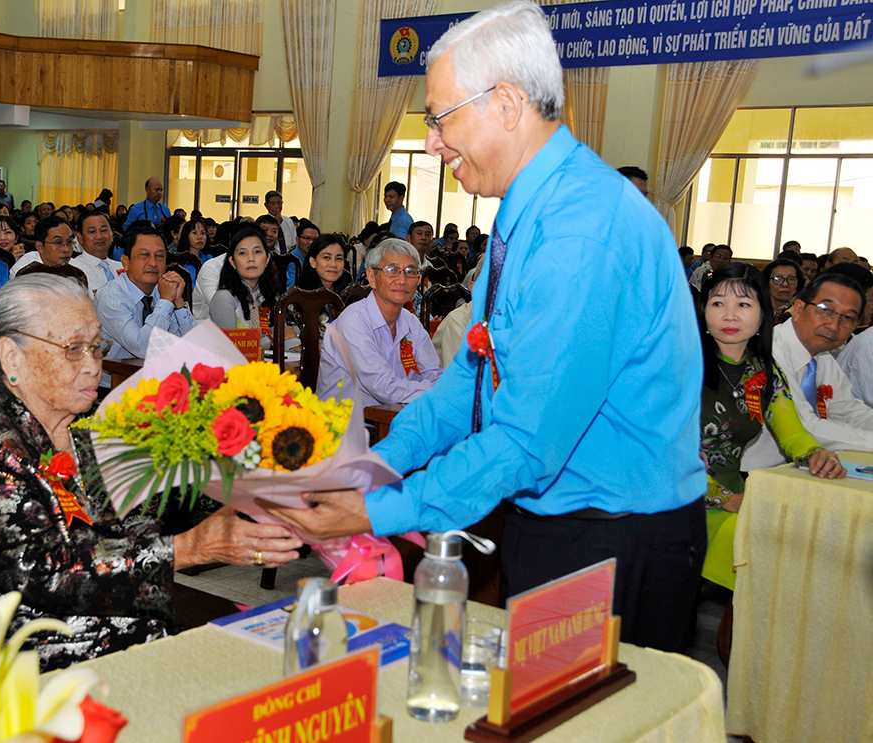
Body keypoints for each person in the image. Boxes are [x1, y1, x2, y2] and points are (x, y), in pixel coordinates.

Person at [263, 2, 706, 652]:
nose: (431, 143)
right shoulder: (527, 208)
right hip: (556, 515)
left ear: (505, 102)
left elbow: (526, 440)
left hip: (611, 532)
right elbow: (476, 374)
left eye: (440, 119)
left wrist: (376, 510)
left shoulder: (580, 229)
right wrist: (383, 463)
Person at [0, 275, 302, 671]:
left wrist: (249, 490)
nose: (93, 366)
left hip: (131, 632)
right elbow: (41, 575)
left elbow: (159, 505)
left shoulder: (92, 428)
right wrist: (188, 549)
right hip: (33, 665)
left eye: (96, 346)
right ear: (12, 356)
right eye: (73, 349)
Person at [696, 263, 844, 590]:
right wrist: (722, 498)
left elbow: (791, 430)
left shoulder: (763, 370)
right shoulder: (681, 365)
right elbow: (663, 450)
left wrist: (815, 453)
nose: (730, 315)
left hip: (737, 498)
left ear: (763, 313)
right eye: (718, 303)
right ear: (703, 309)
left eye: (744, 304)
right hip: (682, 499)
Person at [742, 272, 873, 470]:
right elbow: (806, 427)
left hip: (801, 469)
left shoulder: (824, 358)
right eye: (826, 310)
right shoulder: (768, 352)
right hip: (754, 474)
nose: (833, 325)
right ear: (800, 308)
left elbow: (850, 411)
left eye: (847, 318)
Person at [316, 238, 442, 408]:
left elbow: (432, 372)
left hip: (393, 417)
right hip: (344, 426)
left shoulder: (411, 321)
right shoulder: (354, 321)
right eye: (392, 270)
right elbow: (383, 386)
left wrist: (449, 390)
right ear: (371, 277)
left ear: (418, 280)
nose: (402, 280)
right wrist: (439, 394)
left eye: (410, 271)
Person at [97, 221, 197, 360]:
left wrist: (179, 303)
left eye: (160, 256)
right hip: (116, 379)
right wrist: (166, 301)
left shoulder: (162, 289)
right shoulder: (111, 297)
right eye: (144, 255)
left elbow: (193, 343)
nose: (153, 263)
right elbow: (143, 349)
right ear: (125, 262)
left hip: (156, 375)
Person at [209, 228, 279, 349]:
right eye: (242, 253)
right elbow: (232, 347)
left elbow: (280, 334)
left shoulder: (268, 294)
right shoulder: (224, 298)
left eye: (257, 252)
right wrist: (274, 339)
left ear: (267, 259)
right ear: (232, 262)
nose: (251, 258)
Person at [70, 210, 123, 296]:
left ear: (112, 235)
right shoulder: (75, 268)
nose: (99, 236)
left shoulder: (121, 267)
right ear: (80, 238)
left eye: (104, 230)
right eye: (92, 232)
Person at [10, 216, 74, 277]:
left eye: (69, 242)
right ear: (40, 246)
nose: (66, 249)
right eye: (58, 243)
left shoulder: (77, 267)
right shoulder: (24, 269)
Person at [287, 221, 319, 288]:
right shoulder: (291, 260)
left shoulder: (318, 258)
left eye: (315, 239)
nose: (311, 242)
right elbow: (290, 288)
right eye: (307, 238)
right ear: (297, 239)